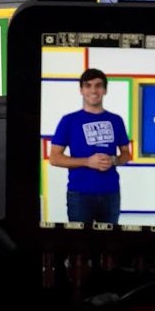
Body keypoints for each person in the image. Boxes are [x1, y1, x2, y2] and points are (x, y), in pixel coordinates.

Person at [49, 69, 132, 224]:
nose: (93, 90)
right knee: (79, 238)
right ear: (81, 90)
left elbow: (126, 154)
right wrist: (87, 162)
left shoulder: (116, 120)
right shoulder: (69, 121)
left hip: (110, 193)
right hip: (80, 194)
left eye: (98, 85)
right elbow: (54, 158)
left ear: (105, 90)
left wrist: (113, 160)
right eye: (88, 85)